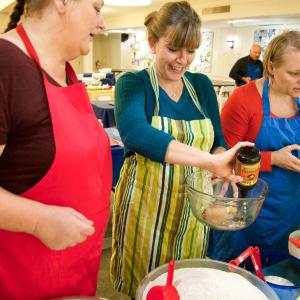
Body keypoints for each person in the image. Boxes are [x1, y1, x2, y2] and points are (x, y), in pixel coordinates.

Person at [110, 1, 253, 298]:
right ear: (152, 42)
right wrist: (210, 162)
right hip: (145, 211)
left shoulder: (200, 86)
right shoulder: (133, 84)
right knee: (145, 287)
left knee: (185, 286)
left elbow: (216, 139)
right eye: (174, 49)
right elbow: (135, 132)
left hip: (192, 213)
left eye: (190, 50)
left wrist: (219, 162)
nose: (183, 60)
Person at [0, 0, 112, 299]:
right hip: (22, 279)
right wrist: (37, 220)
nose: (102, 24)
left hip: (74, 270)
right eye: (97, 8)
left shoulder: (66, 70)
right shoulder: (5, 65)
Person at [208, 31, 300, 262]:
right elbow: (223, 161)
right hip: (246, 208)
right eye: (294, 73)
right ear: (271, 67)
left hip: (290, 209)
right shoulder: (243, 100)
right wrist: (273, 159)